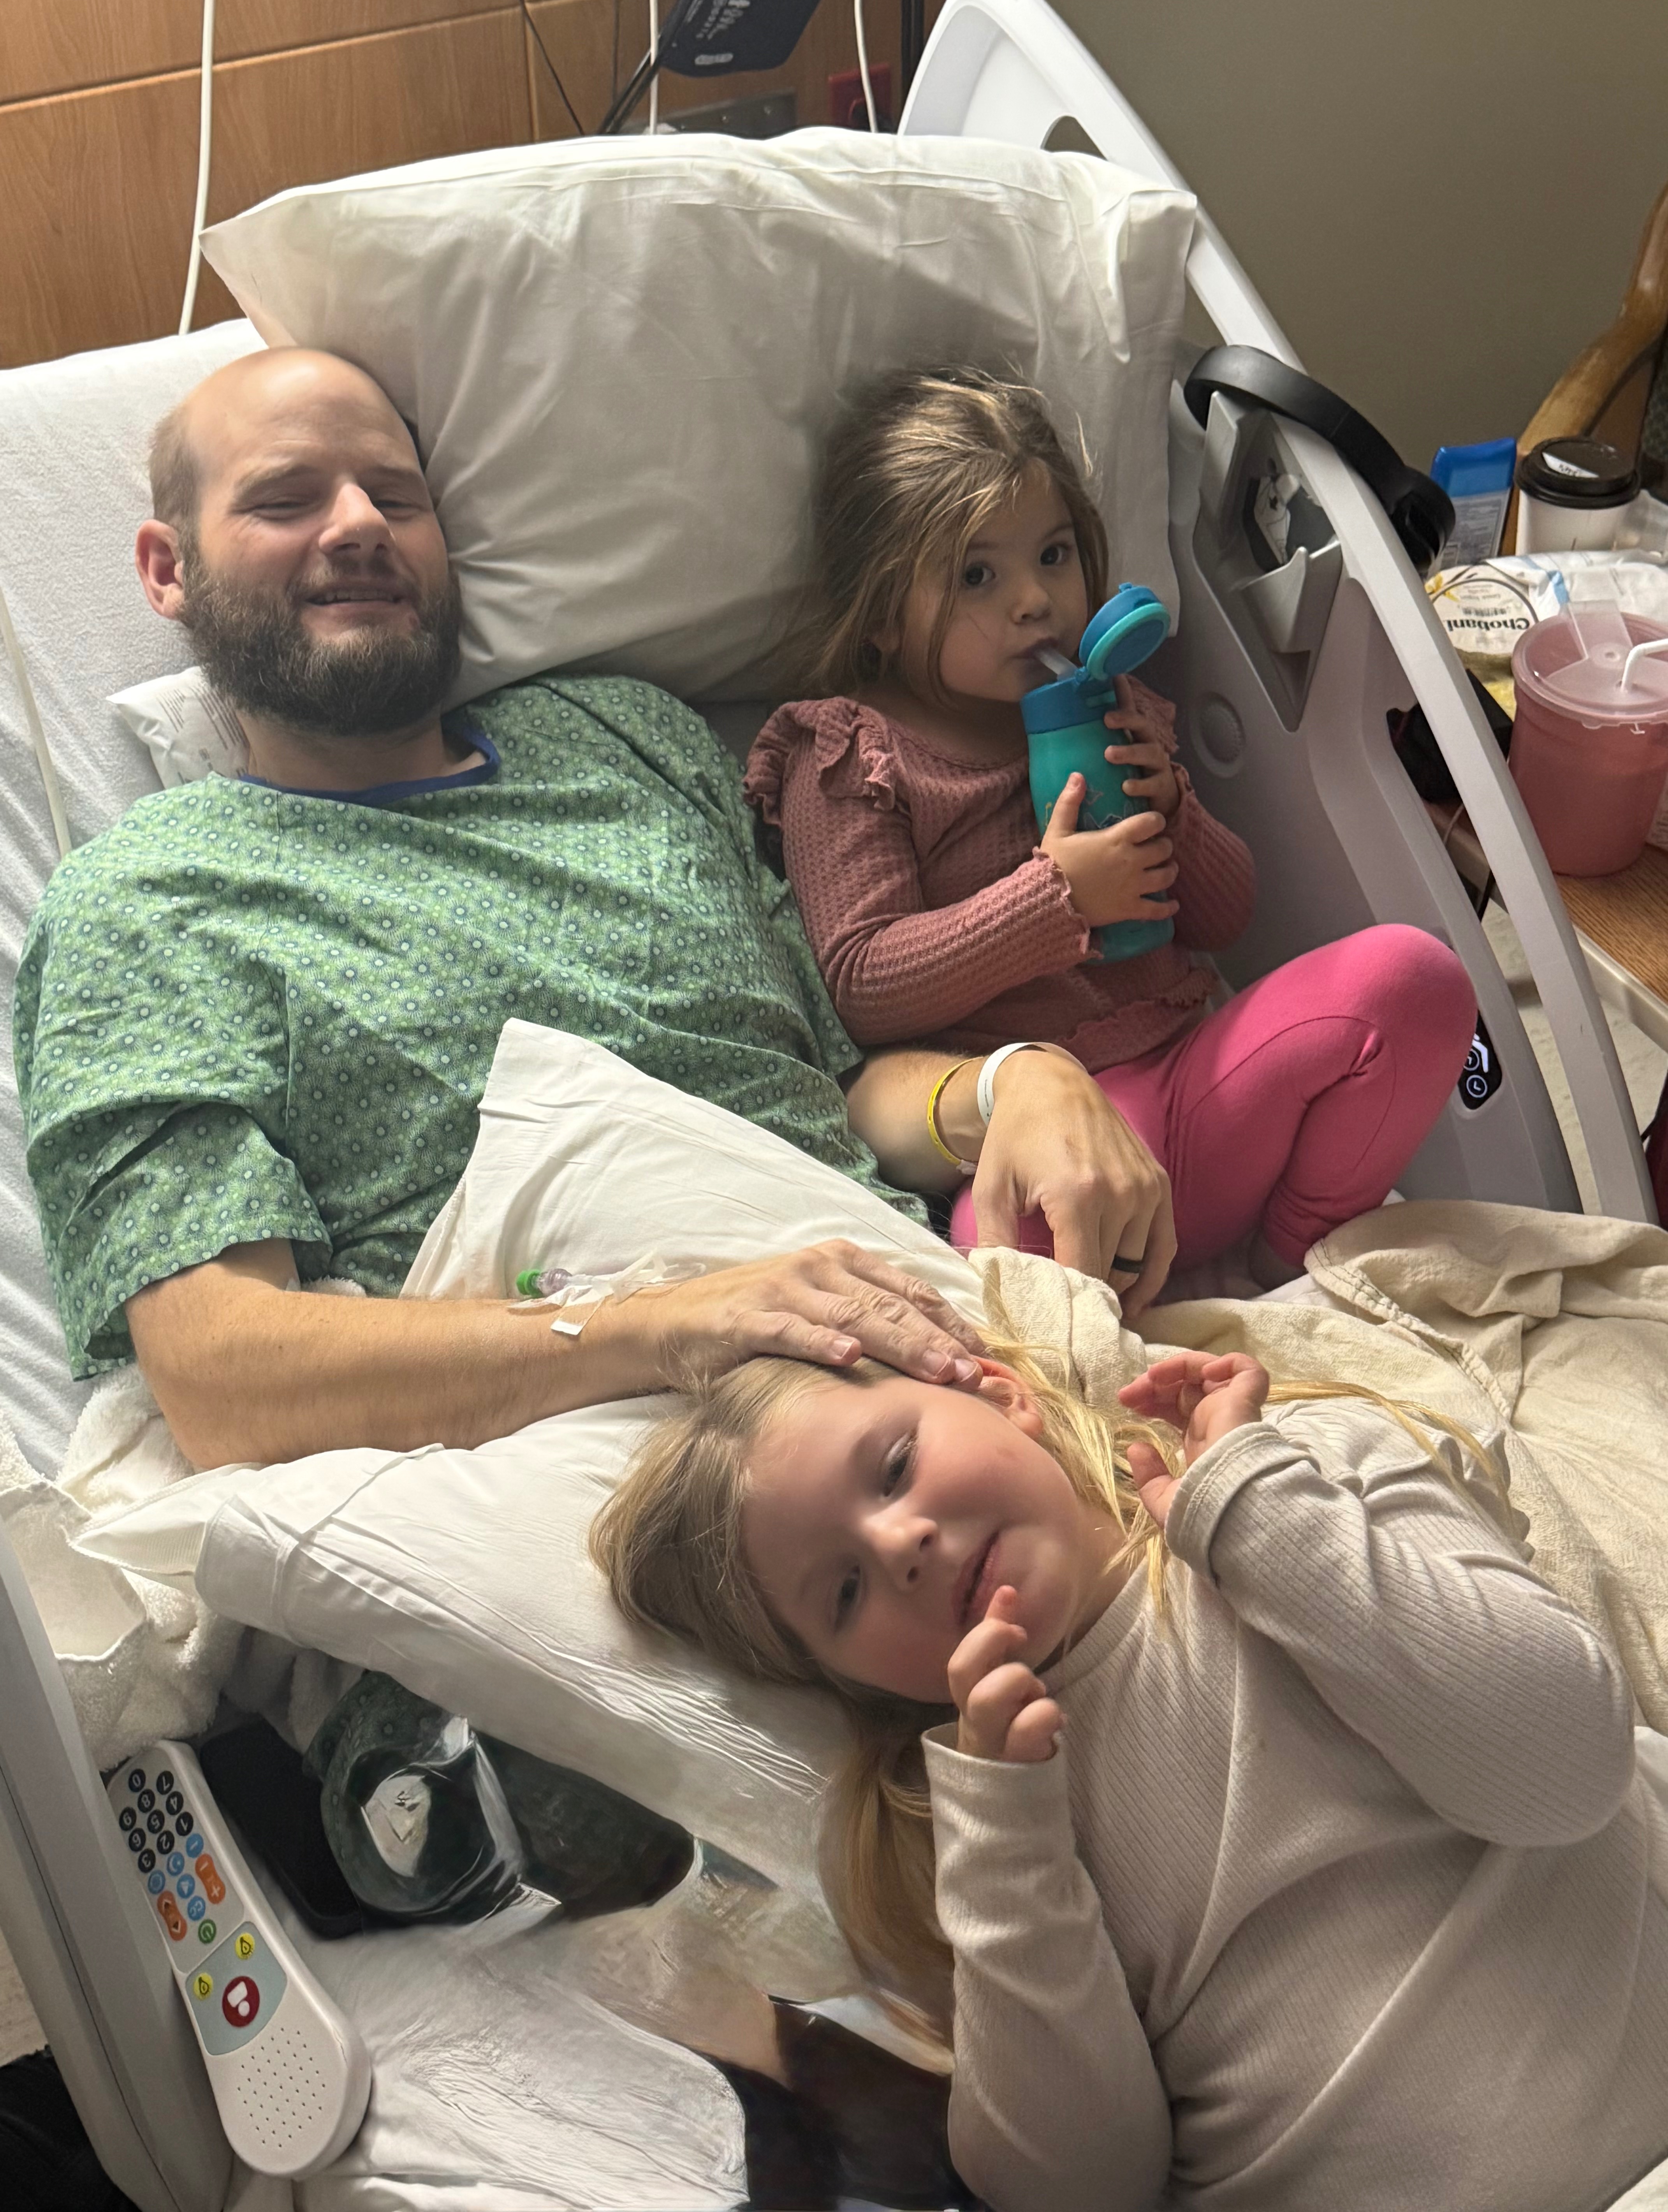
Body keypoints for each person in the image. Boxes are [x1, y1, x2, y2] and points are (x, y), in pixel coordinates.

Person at [13, 346, 1181, 1469]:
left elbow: (838, 1087)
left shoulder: (626, 736)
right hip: (592, 1460)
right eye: (285, 499)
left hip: (913, 1344)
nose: (360, 523)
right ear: (168, 569)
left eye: (396, 497)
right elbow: (224, 1376)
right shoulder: (150, 899)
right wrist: (667, 1325)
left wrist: (1011, 1086)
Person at [593, 1334, 1668, 2212]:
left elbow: (1566, 1768)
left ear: (1000, 1394)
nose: (900, 1543)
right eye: (843, 1594)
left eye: (894, 1467)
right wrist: (1008, 1845)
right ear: (851, 1682)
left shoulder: (1304, 1469)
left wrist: (1259, 1513)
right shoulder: (951, 1818)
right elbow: (1078, 2190)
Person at [744, 367, 1478, 1293]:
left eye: (1054, 555)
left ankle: (1292, 1258)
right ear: (885, 614)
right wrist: (1054, 900)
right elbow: (863, 982)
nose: (1034, 599)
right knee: (1007, 1244)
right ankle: (1125, 1289)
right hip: (1060, 1133)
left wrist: (1173, 810)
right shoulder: (855, 752)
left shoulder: (1115, 705)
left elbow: (1226, 918)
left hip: (1204, 1079)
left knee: (1415, 978)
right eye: (977, 575)